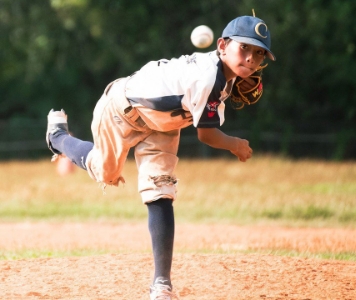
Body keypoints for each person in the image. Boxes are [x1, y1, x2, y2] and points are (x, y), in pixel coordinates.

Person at [46, 13, 275, 300]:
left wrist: (230, 85)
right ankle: (58, 138)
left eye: (259, 53)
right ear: (222, 45)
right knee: (106, 173)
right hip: (122, 110)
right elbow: (207, 135)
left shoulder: (223, 78)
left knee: (161, 190)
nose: (252, 58)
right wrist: (236, 145)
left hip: (164, 126)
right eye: (244, 48)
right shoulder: (208, 78)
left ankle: (162, 286)